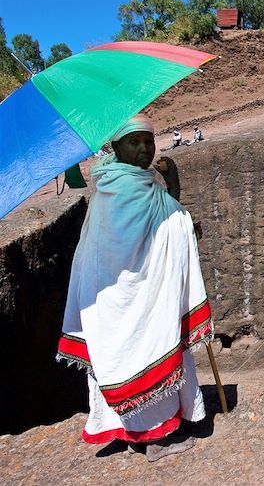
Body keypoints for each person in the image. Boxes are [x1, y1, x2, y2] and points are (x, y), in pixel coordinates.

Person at [57, 114, 211, 462]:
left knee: (122, 359)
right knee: (147, 346)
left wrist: (174, 205)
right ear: (116, 147)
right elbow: (169, 227)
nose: (144, 149)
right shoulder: (130, 189)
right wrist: (174, 184)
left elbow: (158, 230)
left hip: (110, 298)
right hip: (133, 298)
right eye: (134, 142)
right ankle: (157, 437)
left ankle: (130, 433)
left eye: (148, 142)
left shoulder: (112, 186)